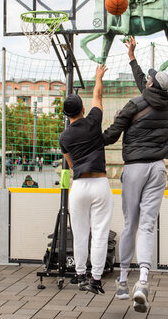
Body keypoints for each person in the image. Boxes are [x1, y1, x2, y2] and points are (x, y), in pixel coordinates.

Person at [102, 37, 168, 313]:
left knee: (130, 223)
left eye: (150, 79)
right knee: (147, 225)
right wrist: (132, 58)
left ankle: (121, 281)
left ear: (151, 85)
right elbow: (144, 83)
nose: (147, 80)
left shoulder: (134, 104)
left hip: (134, 169)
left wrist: (88, 140)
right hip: (158, 169)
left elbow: (111, 135)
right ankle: (142, 281)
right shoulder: (167, 104)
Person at [59, 64, 112, 295]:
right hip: (100, 184)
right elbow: (98, 96)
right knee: (99, 233)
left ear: (66, 114)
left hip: (79, 185)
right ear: (82, 108)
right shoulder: (93, 121)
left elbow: (70, 165)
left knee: (79, 233)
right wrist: (98, 77)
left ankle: (80, 275)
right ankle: (96, 279)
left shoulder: (64, 137)